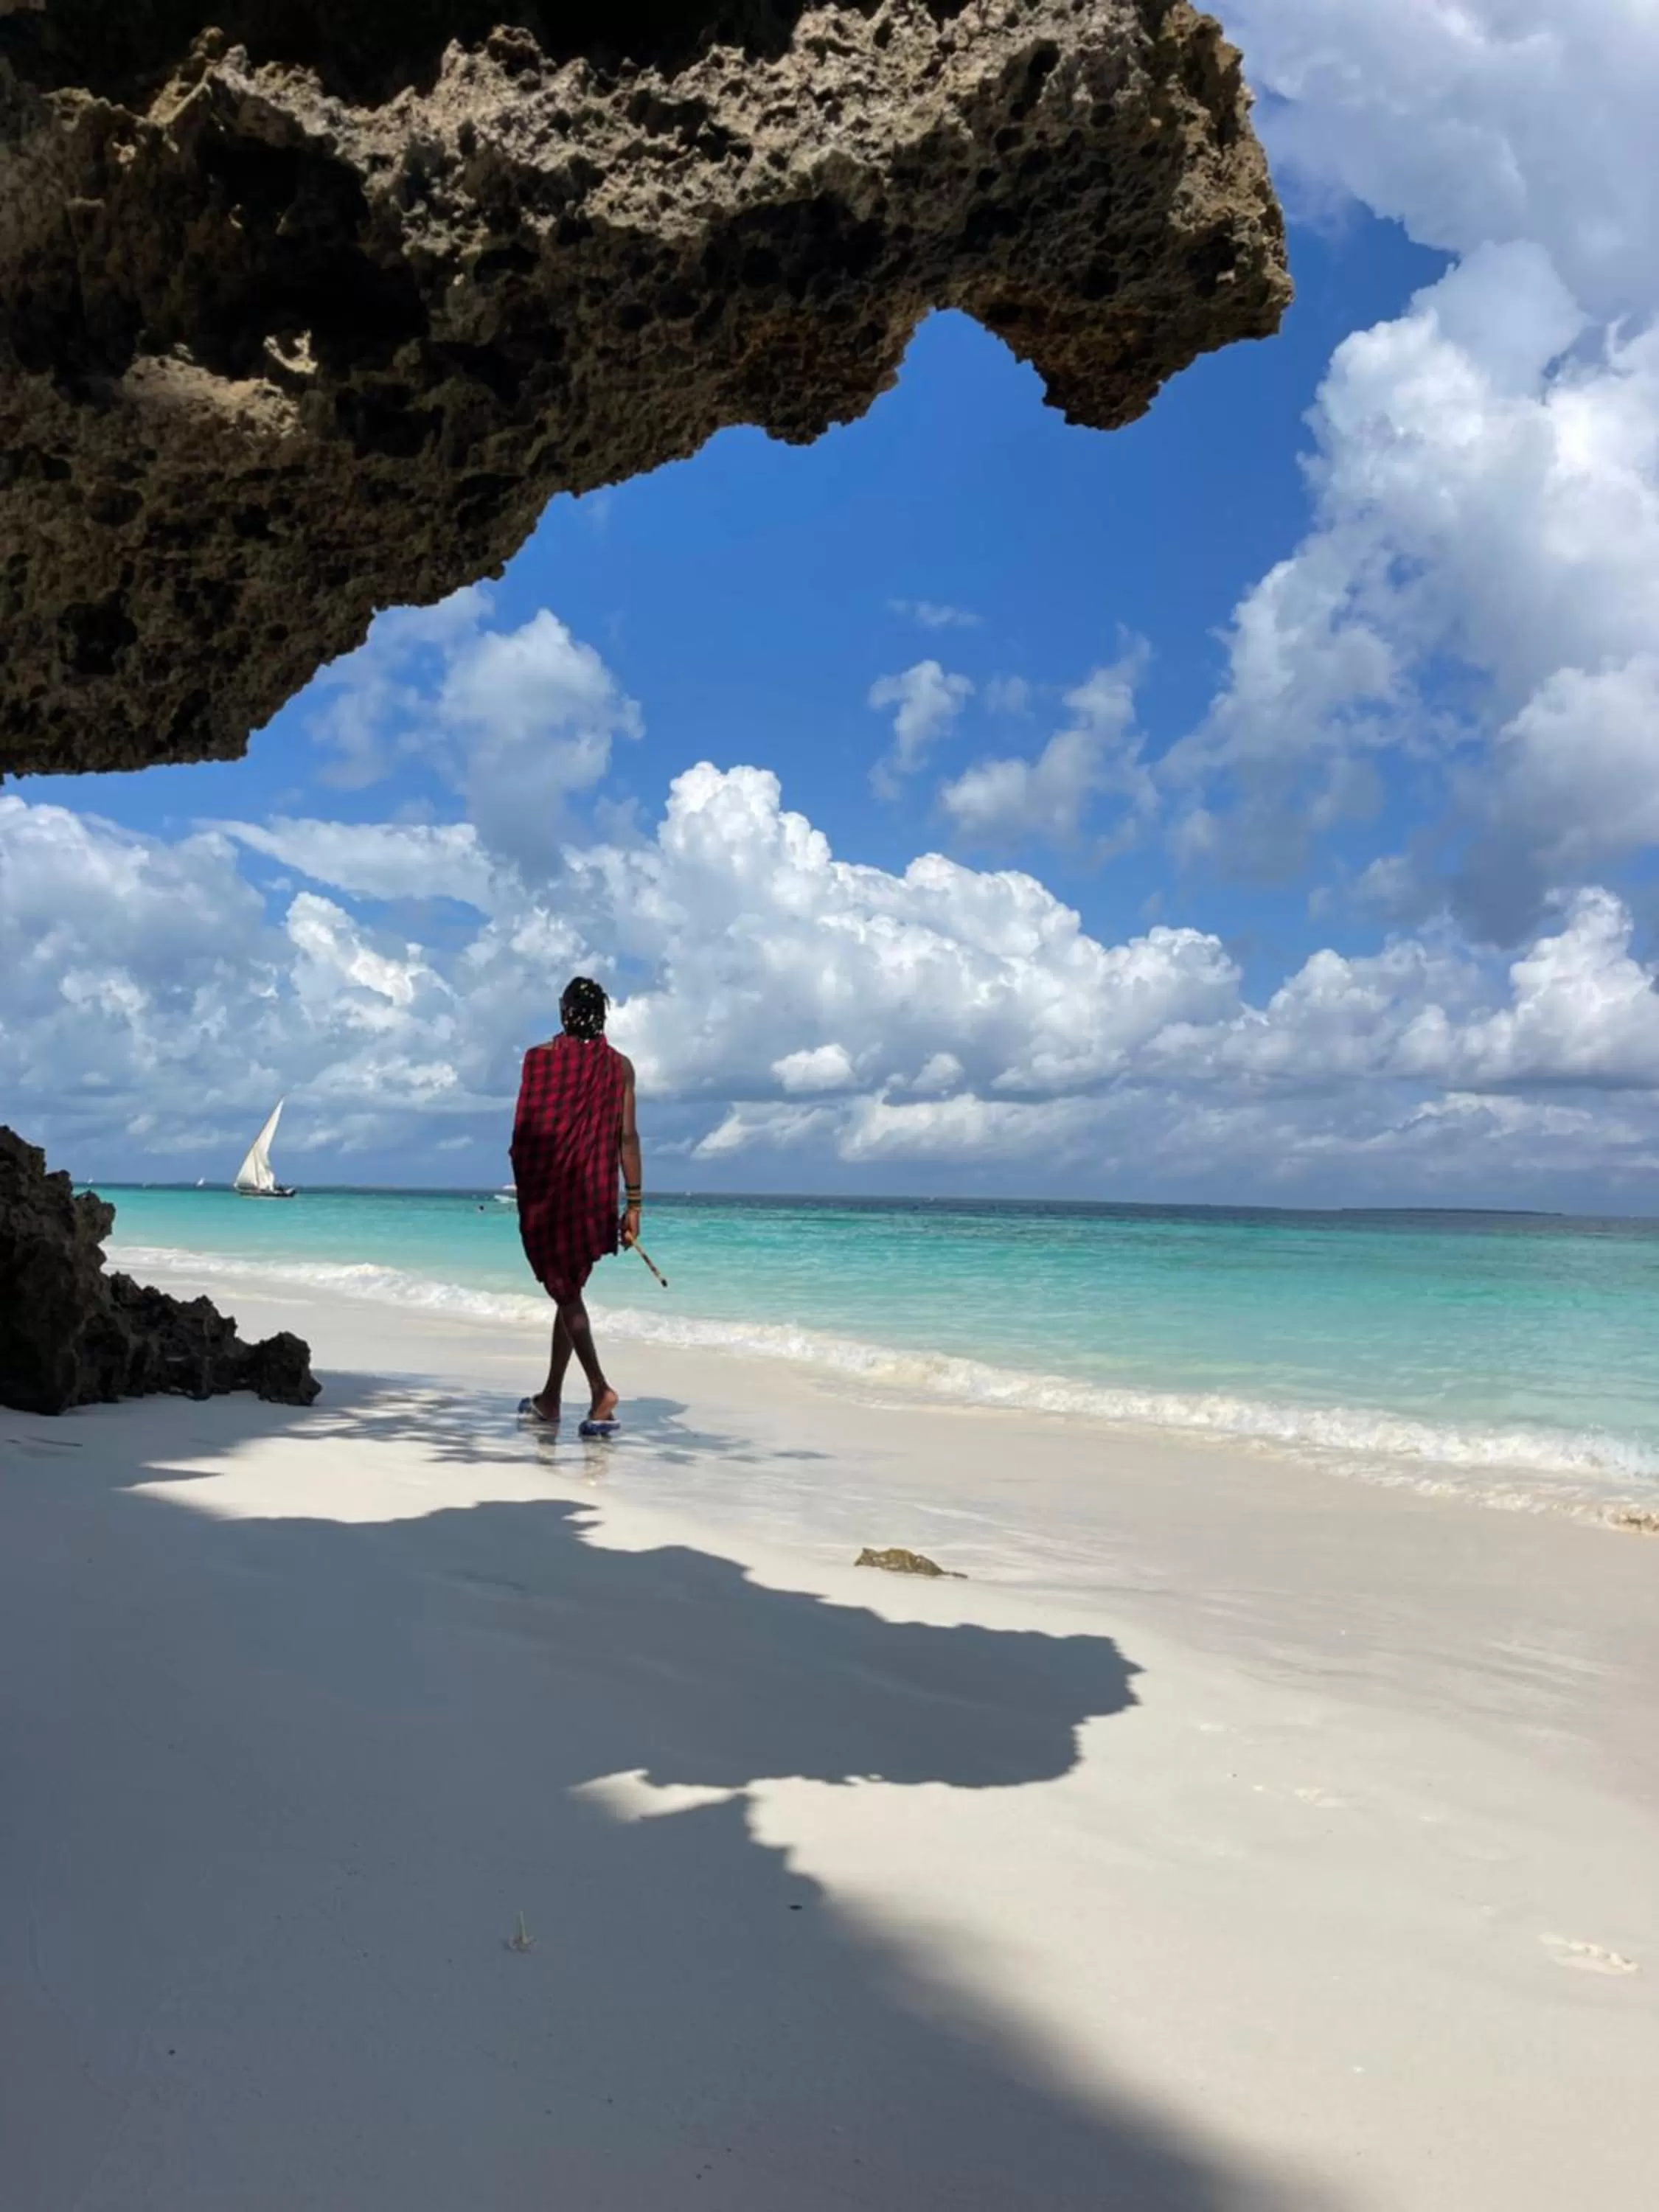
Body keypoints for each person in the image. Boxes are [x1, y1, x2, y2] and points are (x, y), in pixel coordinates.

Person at [509, 976, 642, 1427]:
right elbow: (627, 1138)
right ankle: (550, 1399)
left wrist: (529, 1185)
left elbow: (526, 1133)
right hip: (594, 1200)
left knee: (566, 1294)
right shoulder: (620, 1067)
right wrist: (635, 1206)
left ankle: (600, 1390)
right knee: (571, 1294)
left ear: (564, 1013)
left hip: (552, 1197)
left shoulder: (539, 1060)